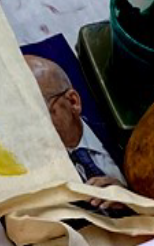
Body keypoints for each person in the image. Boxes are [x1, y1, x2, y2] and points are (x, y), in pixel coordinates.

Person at [25, 55, 126, 189]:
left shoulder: (121, 130)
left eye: (41, 110)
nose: (32, 126)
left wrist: (128, 195)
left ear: (73, 101)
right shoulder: (36, 171)